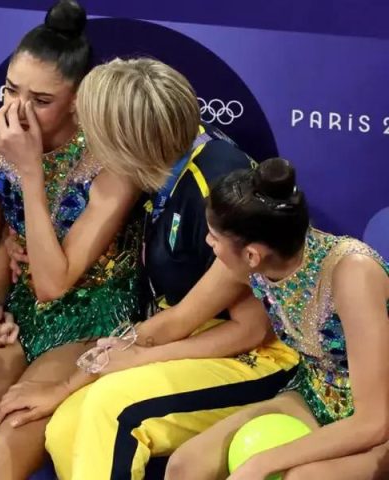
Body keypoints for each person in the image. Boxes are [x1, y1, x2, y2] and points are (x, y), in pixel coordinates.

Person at [0, 58, 297, 480]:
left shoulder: (219, 192)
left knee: (111, 411)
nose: (85, 139)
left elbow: (250, 330)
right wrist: (70, 385)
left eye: (93, 132)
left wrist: (137, 358)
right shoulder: (163, 164)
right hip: (182, 334)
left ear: (126, 143)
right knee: (66, 425)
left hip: (258, 357)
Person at [0, 2, 147, 478]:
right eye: (11, 90)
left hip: (92, 327)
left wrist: (30, 171)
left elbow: (54, 284)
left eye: (40, 100)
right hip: (19, 321)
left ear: (78, 99)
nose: (16, 109)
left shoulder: (112, 163)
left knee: (0, 458)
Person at [163, 158, 389, 480]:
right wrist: (128, 349)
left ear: (252, 255)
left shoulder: (352, 275)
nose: (208, 243)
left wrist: (262, 462)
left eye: (214, 237)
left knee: (299, 478)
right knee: (186, 465)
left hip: (378, 418)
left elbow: (374, 422)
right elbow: (181, 317)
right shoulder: (251, 261)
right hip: (315, 396)